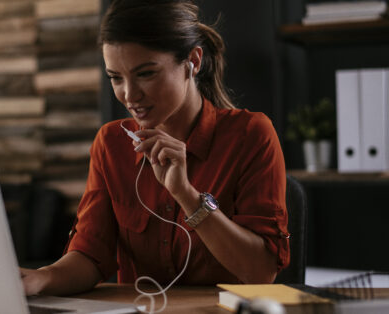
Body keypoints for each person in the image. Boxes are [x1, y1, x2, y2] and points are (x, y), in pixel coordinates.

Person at [21, 0, 289, 296]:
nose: (129, 94)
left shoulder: (250, 135)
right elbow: (90, 256)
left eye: (146, 74)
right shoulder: (111, 144)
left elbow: (261, 272)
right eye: (115, 78)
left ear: (193, 61)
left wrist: (187, 195)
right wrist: (40, 279)